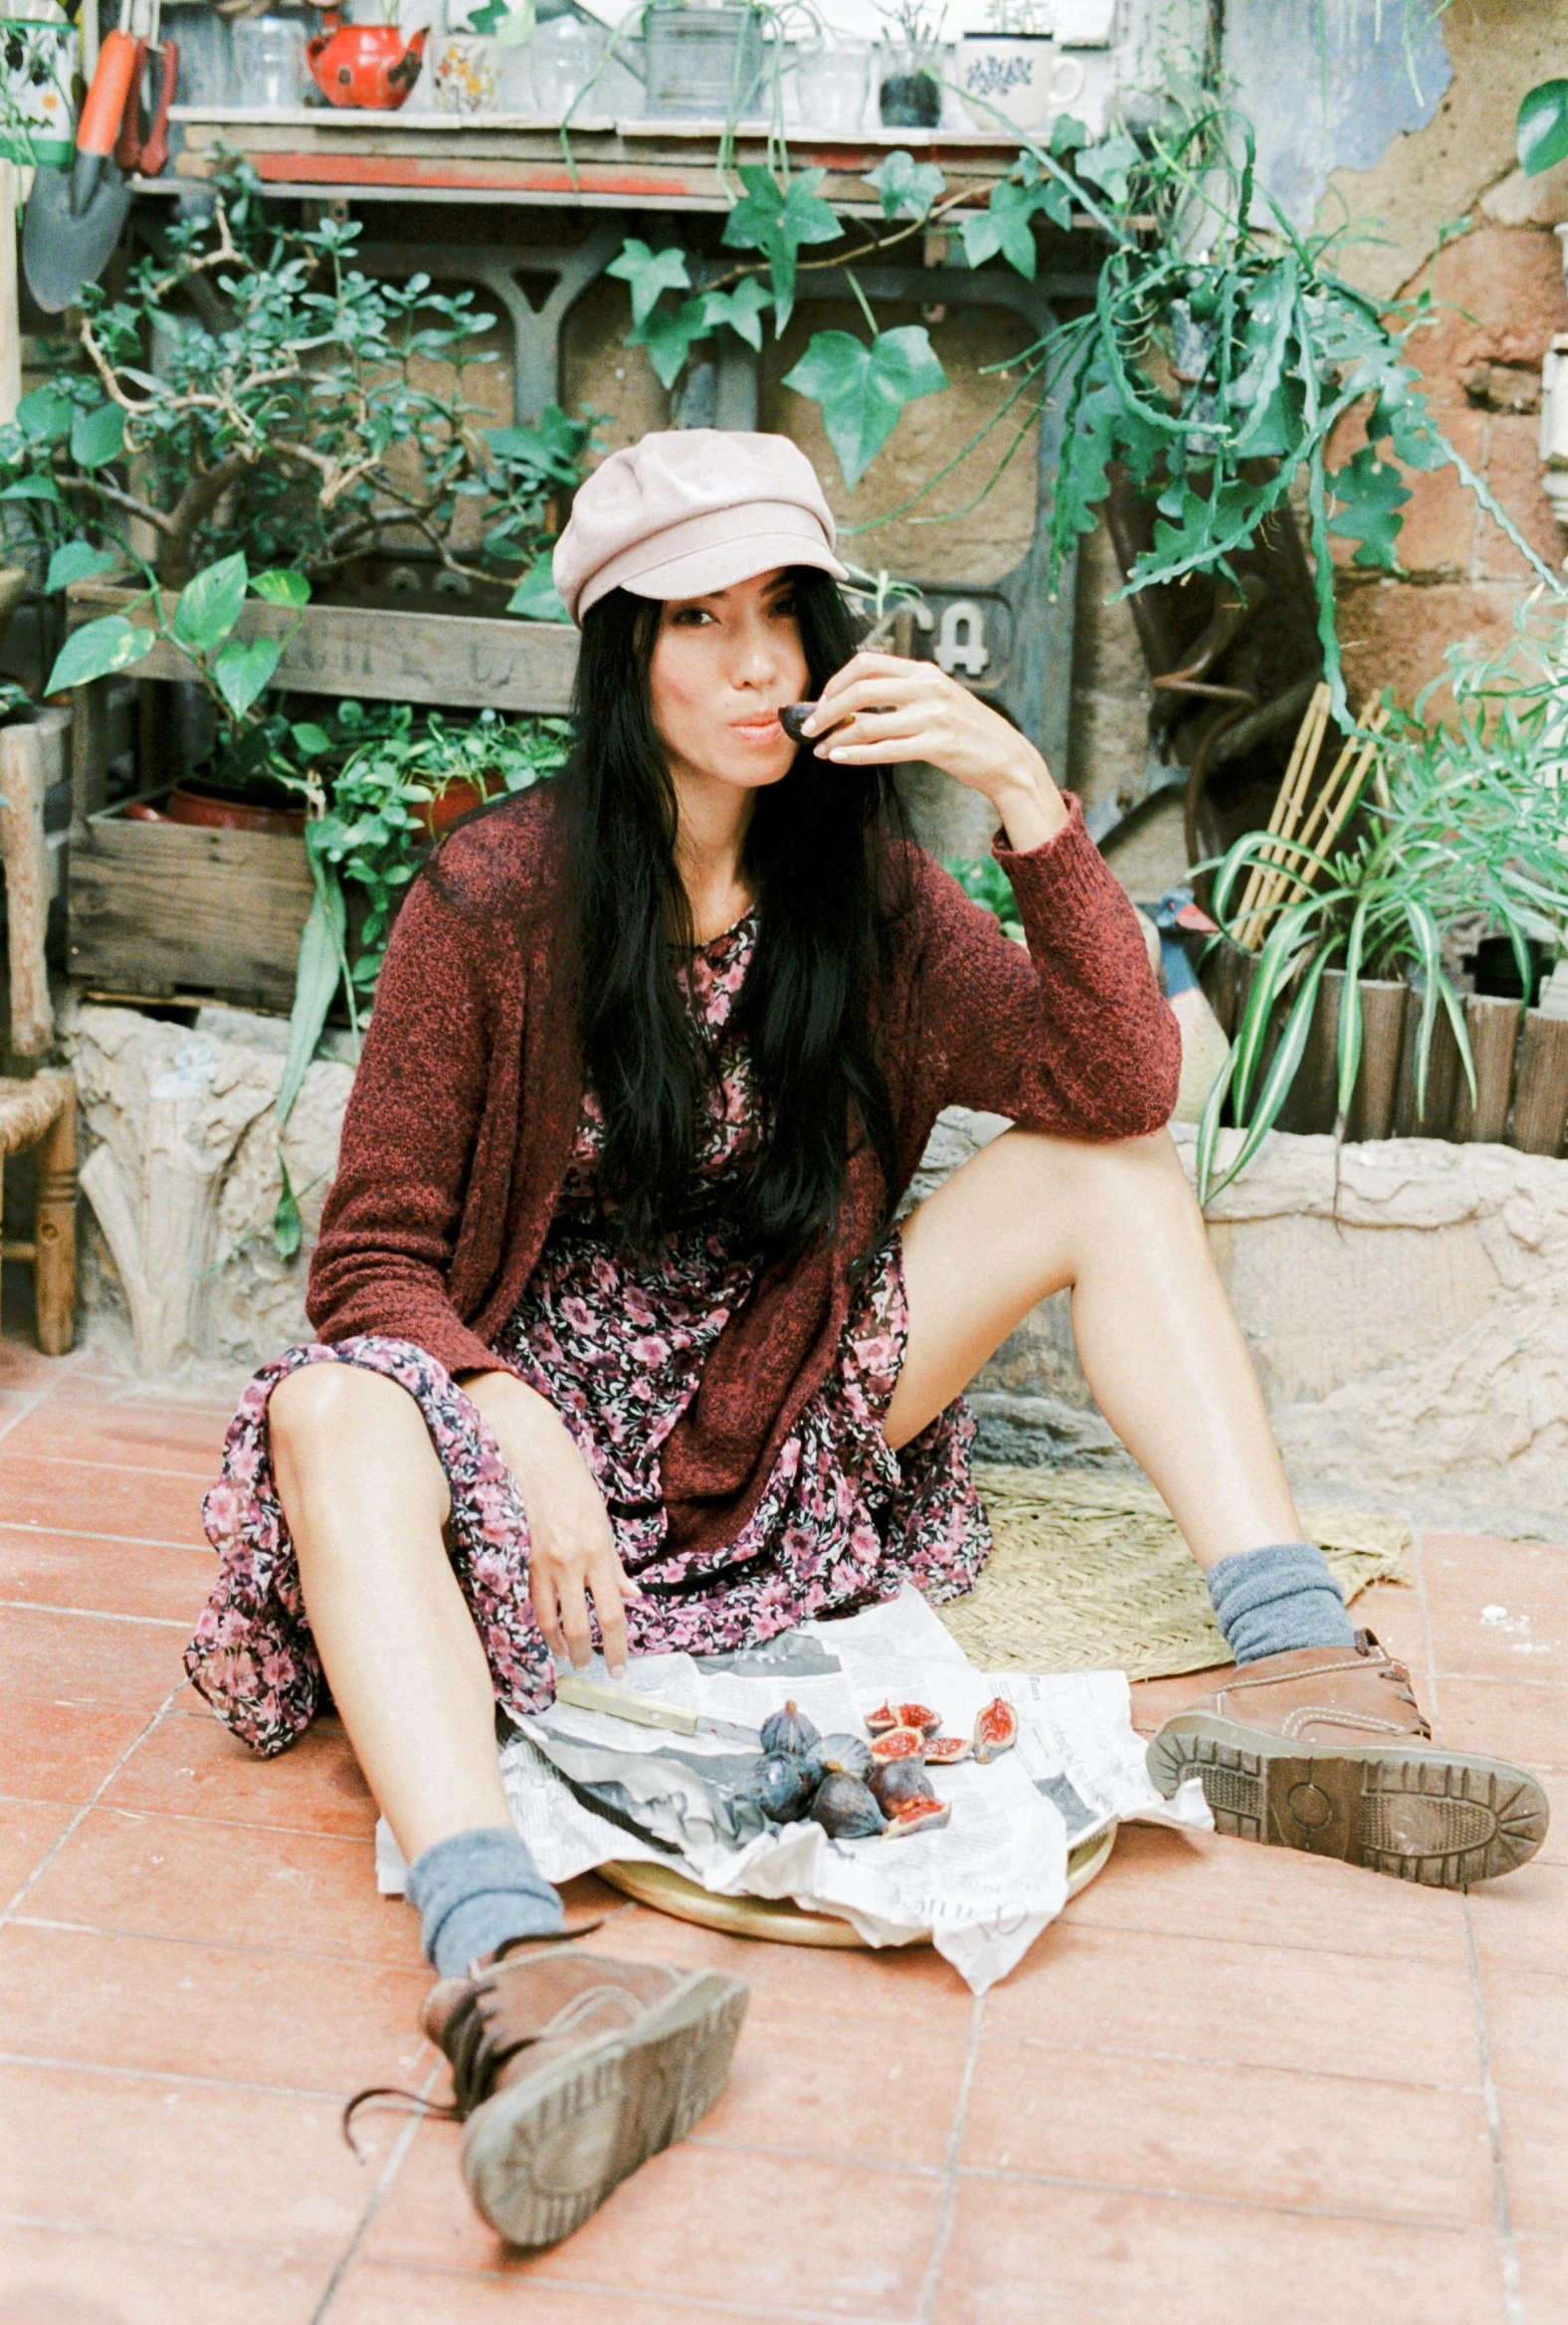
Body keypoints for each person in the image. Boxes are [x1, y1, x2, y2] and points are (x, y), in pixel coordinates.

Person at [186, 430, 1547, 2250]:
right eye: (703, 623)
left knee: (1112, 1182)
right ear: (623, 650)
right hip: (529, 1446)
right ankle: (512, 1970)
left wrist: (1026, 798)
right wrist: (498, 1411)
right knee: (340, 1415)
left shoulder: (863, 893)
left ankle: (1294, 1672)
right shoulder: (494, 901)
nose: (759, 667)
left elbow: (1116, 1085)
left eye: (787, 617)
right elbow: (369, 1264)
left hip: (775, 1405)